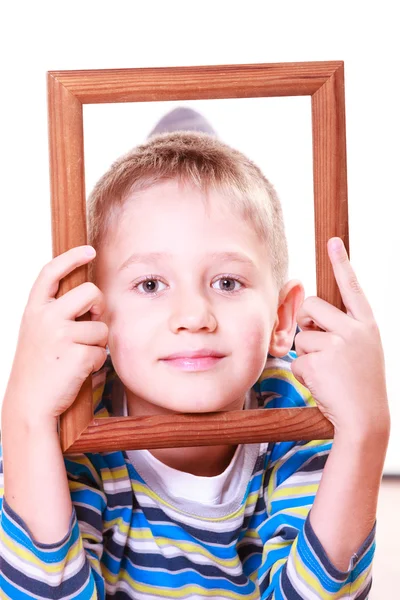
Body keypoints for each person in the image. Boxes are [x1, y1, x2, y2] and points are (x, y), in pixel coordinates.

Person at [0, 107, 389, 599]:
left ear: (282, 319)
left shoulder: (300, 410)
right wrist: (24, 418)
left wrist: (365, 431)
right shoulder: (72, 426)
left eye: (227, 282)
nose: (193, 315)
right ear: (94, 316)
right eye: (150, 283)